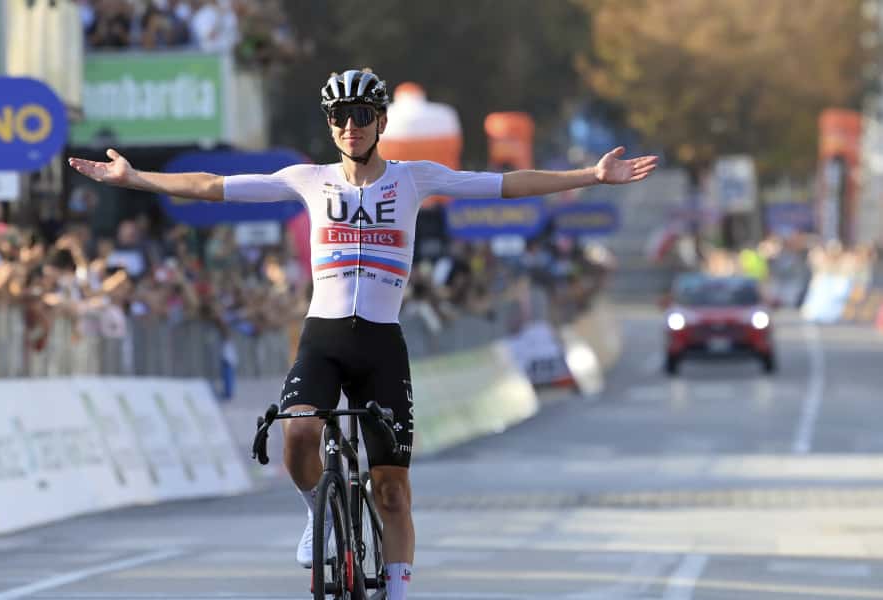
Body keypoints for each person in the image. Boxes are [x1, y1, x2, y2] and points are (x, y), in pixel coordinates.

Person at [69, 67, 657, 600]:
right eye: (339, 117)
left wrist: (591, 176)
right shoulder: (307, 179)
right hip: (323, 338)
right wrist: (137, 178)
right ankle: (314, 513)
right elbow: (212, 185)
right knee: (298, 434)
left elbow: (505, 184)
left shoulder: (413, 179)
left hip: (381, 344)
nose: (350, 126)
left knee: (392, 489)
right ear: (330, 126)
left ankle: (396, 591)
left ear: (380, 121)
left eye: (361, 116)